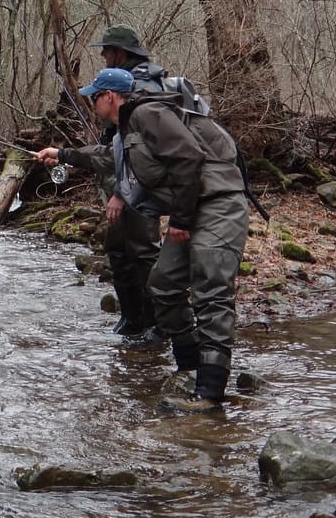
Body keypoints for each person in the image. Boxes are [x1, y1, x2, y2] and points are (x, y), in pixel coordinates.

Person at [77, 67, 250, 412]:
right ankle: (188, 369)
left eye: (94, 97)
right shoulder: (127, 129)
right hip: (196, 207)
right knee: (164, 285)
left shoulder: (147, 113)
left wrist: (180, 220)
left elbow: (189, 157)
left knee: (210, 291)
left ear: (109, 97)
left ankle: (209, 395)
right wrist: (62, 154)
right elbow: (106, 158)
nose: (92, 103)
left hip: (219, 202)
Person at [37, 25, 165, 341]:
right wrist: (67, 155)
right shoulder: (126, 84)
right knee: (118, 250)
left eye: (106, 50)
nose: (102, 55)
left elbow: (145, 153)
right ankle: (132, 319)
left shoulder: (142, 89)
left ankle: (157, 325)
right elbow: (114, 149)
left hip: (138, 189)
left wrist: (121, 193)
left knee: (143, 253)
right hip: (123, 183)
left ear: (120, 53)